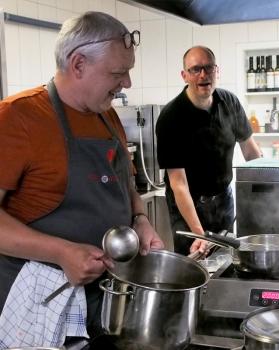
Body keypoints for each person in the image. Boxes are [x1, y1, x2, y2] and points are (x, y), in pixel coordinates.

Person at [0, 11, 164, 347]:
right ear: (78, 65)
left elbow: (127, 185)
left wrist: (141, 219)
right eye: (119, 73)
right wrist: (61, 252)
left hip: (105, 300)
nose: (127, 84)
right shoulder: (18, 118)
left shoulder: (108, 115)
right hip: (40, 304)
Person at [156, 45, 261, 256]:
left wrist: (264, 198)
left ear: (217, 71)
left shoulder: (229, 102)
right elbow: (179, 185)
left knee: (226, 260)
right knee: (195, 264)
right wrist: (198, 233)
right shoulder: (171, 117)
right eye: (195, 69)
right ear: (184, 75)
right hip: (188, 206)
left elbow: (252, 155)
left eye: (208, 68)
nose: (203, 75)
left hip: (223, 198)